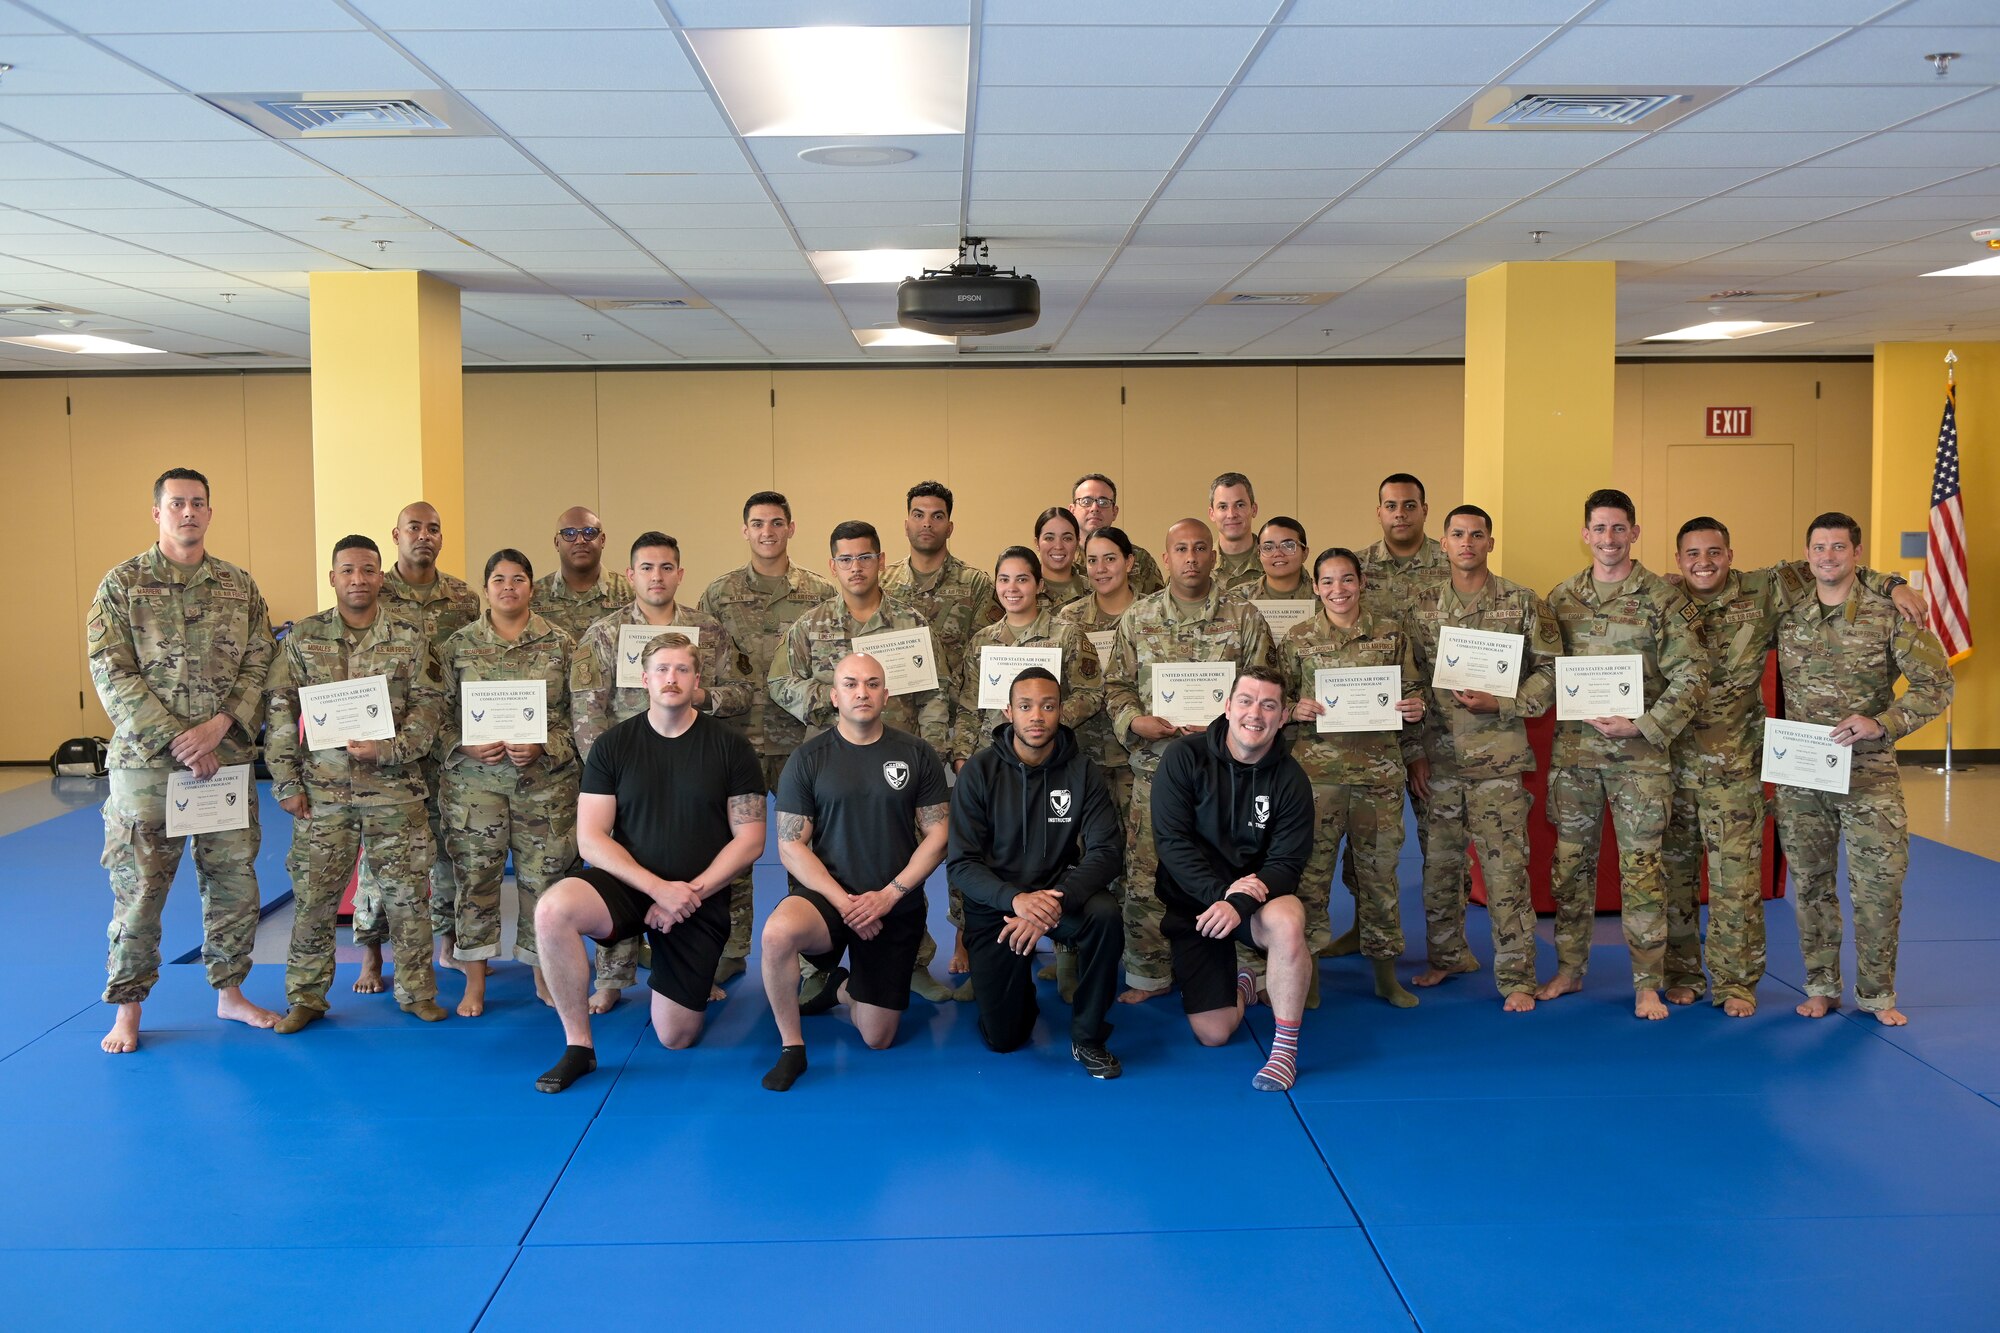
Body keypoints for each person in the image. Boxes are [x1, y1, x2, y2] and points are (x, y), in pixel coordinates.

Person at [1662, 518, 1921, 1017]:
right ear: (1678, 560)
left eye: (1714, 551)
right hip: (1682, 765)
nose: (1704, 562)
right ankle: (1690, 976)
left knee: (1745, 885)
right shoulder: (1663, 597)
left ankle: (1746, 985)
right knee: (1687, 881)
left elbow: (1834, 570)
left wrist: (1894, 582)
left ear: (1731, 553)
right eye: (1692, 554)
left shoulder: (1765, 590)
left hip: (1752, 764)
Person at [91, 467, 279, 1054]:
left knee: (233, 885)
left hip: (222, 760)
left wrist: (220, 727)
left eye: (198, 503)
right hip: (149, 768)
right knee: (141, 889)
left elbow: (262, 662)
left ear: (210, 512)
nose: (188, 513)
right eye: (176, 504)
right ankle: (127, 1008)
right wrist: (178, 738)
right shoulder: (122, 585)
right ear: (157, 512)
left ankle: (231, 992)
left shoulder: (238, 586)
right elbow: (110, 669)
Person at [530, 634, 766, 1092]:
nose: (671, 679)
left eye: (681, 670)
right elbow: (591, 838)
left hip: (699, 895)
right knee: (551, 910)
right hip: (631, 884)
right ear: (644, 680)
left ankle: (670, 971)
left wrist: (687, 894)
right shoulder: (613, 745)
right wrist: (658, 889)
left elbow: (751, 839)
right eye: (661, 670)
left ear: (698, 680)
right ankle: (578, 1046)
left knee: (676, 1037)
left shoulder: (731, 747)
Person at [265, 535, 449, 1032]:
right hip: (324, 792)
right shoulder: (303, 638)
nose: (358, 580)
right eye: (347, 571)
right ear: (333, 578)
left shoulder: (410, 636)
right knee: (314, 896)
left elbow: (430, 706)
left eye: (368, 570)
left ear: (380, 576)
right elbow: (281, 710)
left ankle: (416, 991)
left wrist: (387, 750)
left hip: (395, 789)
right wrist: (285, 782)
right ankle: (306, 996)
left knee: (409, 896)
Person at [1773, 514, 1951, 1027]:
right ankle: (1821, 986)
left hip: (1868, 773)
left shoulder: (1887, 613)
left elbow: (1936, 686)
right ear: (1806, 554)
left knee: (1879, 885)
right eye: (1818, 548)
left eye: (1838, 547)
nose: (1827, 556)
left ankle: (1876, 993)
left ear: (1857, 552)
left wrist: (1882, 722)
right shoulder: (1787, 611)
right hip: (1804, 771)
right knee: (1810, 885)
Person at [1539, 489, 1707, 1020]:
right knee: (1571, 867)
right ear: (1585, 534)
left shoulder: (1661, 598)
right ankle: (1569, 968)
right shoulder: (1561, 597)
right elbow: (1544, 669)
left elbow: (1693, 673)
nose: (1608, 539)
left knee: (1641, 870)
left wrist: (1645, 725)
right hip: (1576, 758)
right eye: (1599, 529)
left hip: (1641, 760)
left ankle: (1647, 982)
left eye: (1619, 528)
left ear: (1634, 533)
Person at [769, 520, 955, 1001]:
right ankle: (818, 965)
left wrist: (929, 746)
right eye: (846, 559)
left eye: (865, 557)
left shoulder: (911, 623)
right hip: (833, 763)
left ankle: (910, 959)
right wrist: (834, 702)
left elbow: (937, 693)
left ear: (880, 561)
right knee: (812, 854)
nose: (856, 567)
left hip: (903, 764)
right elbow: (779, 683)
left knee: (907, 856)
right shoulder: (809, 625)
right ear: (833, 566)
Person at [572, 531, 753, 1011]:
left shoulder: (708, 632)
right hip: (629, 777)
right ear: (631, 575)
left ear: (680, 573)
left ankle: (706, 967)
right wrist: (609, 776)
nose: (657, 577)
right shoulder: (604, 633)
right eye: (647, 568)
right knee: (621, 869)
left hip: (699, 772)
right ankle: (613, 978)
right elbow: (588, 710)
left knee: (717, 860)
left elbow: (742, 692)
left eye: (666, 567)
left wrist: (703, 697)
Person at [758, 653, 950, 1092]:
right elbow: (790, 846)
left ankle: (840, 989)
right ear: (834, 695)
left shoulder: (916, 753)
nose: (861, 692)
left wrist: (889, 895)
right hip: (828, 898)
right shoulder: (808, 758)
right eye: (850, 684)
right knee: (775, 935)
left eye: (871, 683)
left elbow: (937, 836)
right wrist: (846, 904)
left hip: (892, 902)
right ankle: (792, 1047)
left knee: (877, 1038)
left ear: (887, 694)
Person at [1102, 518, 1275, 1004]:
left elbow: (1266, 688)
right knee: (1145, 873)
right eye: (1181, 549)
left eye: (1201, 547)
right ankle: (1150, 972)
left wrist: (1229, 727)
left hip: (1229, 777)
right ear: (1167, 555)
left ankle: (1245, 968)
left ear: (1214, 554)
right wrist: (1135, 722)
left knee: (1233, 869)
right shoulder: (1139, 618)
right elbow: (1114, 686)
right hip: (1157, 771)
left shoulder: (1244, 617)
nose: (1192, 558)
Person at [1404, 504, 1561, 1012]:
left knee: (1506, 872)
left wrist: (1506, 701)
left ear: (1490, 542)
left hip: (1498, 761)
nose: (1466, 542)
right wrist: (1415, 755)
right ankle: (1448, 956)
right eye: (1457, 534)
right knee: (1440, 869)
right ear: (1443, 543)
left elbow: (1552, 669)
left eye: (1476, 534)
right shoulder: (1421, 606)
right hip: (1440, 760)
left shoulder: (1521, 602)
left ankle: (1517, 975)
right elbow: (1408, 683)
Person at [950, 669, 1126, 1077]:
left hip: (1057, 896)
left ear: (1061, 711)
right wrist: (1016, 901)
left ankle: (1088, 1036)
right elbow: (962, 863)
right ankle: (1012, 982)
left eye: (1048, 706)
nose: (1037, 716)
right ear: (1008, 711)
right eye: (1026, 706)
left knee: (1104, 916)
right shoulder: (978, 772)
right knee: (1004, 1038)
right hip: (998, 902)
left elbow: (1106, 853)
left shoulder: (1082, 771)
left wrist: (1047, 904)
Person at [1278, 547, 1427, 1007]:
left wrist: (1415, 705)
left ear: (1361, 582)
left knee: (1380, 876)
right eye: (1327, 581)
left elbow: (1414, 689)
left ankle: (1386, 973)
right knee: (1312, 878)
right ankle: (1311, 976)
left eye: (1346, 579)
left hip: (1377, 777)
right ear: (1316, 586)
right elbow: (1274, 700)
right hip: (1315, 780)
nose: (1337, 590)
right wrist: (1291, 709)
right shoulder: (1297, 639)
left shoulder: (1390, 634)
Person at [433, 550, 579, 1018]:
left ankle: (543, 974)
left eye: (519, 579)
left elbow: (580, 718)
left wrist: (544, 745)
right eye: (499, 579)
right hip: (475, 788)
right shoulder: (456, 647)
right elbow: (431, 719)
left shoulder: (562, 645)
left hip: (544, 787)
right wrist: (466, 745)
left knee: (544, 882)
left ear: (532, 587)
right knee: (475, 881)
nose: (509, 587)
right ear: (486, 587)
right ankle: (475, 981)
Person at [1153, 667, 1314, 1091]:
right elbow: (1172, 844)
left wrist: (1238, 903)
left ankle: (1284, 1051)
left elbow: (1287, 863)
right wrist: (1219, 895)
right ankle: (1243, 986)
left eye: (1269, 705)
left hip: (1253, 900)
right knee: (1214, 1033)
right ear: (1227, 707)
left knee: (1288, 919)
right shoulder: (1183, 757)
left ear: (1282, 717)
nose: (1255, 714)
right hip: (1197, 902)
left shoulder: (1291, 779)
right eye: (1245, 700)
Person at [365, 500, 482, 982]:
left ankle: (449, 945)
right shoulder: (375, 589)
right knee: (384, 854)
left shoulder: (463, 598)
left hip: (450, 742)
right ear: (396, 535)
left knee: (450, 846)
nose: (425, 536)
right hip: (390, 744)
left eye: (434, 528)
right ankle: (372, 952)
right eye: (414, 528)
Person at [1054, 525, 1142, 998]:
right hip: (1081, 754)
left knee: (1136, 852)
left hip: (1136, 755)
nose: (1101, 568)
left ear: (1130, 562)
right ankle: (1074, 949)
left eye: (1111, 558)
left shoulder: (1153, 614)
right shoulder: (1067, 619)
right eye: (1092, 560)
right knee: (1078, 853)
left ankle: (1136, 949)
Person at [699, 490, 835, 793]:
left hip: (803, 737)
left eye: (776, 523)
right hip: (737, 736)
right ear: (745, 531)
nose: (767, 532)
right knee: (736, 833)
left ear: (791, 528)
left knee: (809, 832)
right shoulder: (719, 594)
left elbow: (834, 663)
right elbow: (703, 668)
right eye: (758, 524)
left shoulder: (822, 594)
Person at [950, 546, 1103, 771]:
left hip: (1049, 757)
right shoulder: (982, 641)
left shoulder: (1067, 635)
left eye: (1022, 579)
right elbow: (969, 707)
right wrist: (962, 757)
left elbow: (1090, 694)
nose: (1012, 588)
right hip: (993, 759)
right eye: (1004, 580)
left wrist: (1045, 721)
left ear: (1039, 585)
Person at [880, 480, 1001, 695]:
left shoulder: (975, 584)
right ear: (906, 525)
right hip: (894, 710)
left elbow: (986, 654)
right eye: (918, 515)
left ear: (950, 528)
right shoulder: (882, 582)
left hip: (953, 712)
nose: (927, 523)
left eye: (937, 516)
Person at [534, 506, 633, 641]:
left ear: (602, 540)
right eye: (569, 534)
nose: (580, 540)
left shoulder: (632, 592)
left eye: (589, 532)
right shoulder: (532, 597)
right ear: (557, 543)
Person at [1072, 473, 1164, 596]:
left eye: (1103, 502)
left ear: (1115, 512)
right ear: (1072, 510)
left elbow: (1158, 606)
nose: (1094, 508)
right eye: (1086, 501)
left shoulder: (1140, 559)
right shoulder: (1062, 558)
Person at [1229, 517, 1315, 605]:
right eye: (1268, 548)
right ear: (1259, 554)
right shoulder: (1235, 598)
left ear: (1305, 553)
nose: (1278, 553)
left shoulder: (1324, 596)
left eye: (1288, 546)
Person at [1209, 471, 1263, 592]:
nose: (1231, 514)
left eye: (1239, 505)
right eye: (1223, 507)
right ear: (1212, 514)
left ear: (1253, 509)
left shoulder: (1275, 562)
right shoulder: (1199, 565)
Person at [1034, 506, 1089, 610]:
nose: (1058, 546)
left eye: (1067, 538)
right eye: (1049, 538)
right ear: (1037, 543)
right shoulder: (1021, 590)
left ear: (1077, 542)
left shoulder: (1095, 592)